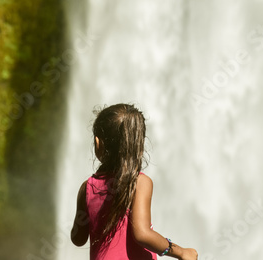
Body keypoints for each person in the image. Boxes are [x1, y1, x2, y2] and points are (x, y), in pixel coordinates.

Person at [71, 103, 198, 260]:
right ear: (139, 144)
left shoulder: (87, 187)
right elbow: (142, 234)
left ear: (98, 143)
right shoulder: (139, 182)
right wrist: (181, 252)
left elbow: (78, 239)